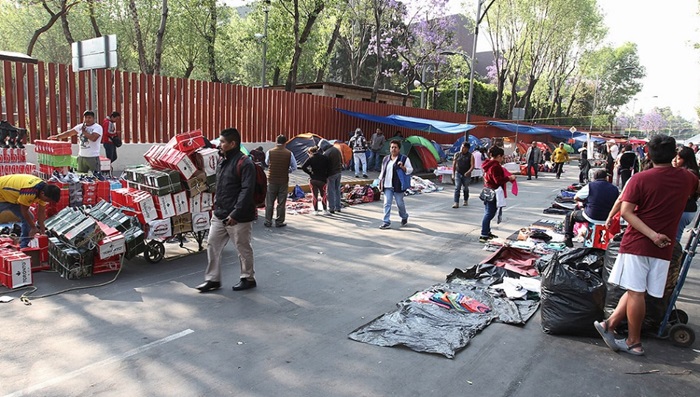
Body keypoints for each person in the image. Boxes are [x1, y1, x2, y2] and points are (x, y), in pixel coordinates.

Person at [595, 135, 700, 356]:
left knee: (636, 293)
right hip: (666, 245)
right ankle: (609, 325)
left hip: (639, 243)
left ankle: (634, 342)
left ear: (649, 155)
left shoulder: (640, 179)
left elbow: (626, 212)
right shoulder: (688, 179)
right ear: (674, 155)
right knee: (637, 290)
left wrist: (652, 235)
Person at [196, 128, 257, 293]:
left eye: (223, 142)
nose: (219, 144)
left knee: (243, 248)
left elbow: (247, 190)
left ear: (233, 144)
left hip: (238, 216)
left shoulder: (245, 163)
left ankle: (247, 278)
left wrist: (235, 213)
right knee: (212, 245)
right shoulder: (223, 161)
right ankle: (212, 279)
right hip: (220, 213)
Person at [0, 174, 61, 248]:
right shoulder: (29, 191)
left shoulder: (44, 191)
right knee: (28, 219)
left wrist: (42, 230)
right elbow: (24, 211)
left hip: (13, 197)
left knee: (30, 218)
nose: (48, 201)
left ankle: (24, 246)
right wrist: (33, 227)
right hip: (2, 192)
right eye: (48, 200)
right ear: (42, 194)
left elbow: (41, 212)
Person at [563, 169, 619, 247]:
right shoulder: (614, 188)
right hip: (607, 218)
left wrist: (585, 201)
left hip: (591, 216)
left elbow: (576, 197)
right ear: (606, 178)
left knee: (570, 215)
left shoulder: (590, 185)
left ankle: (568, 237)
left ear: (594, 178)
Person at [480, 146, 515, 243]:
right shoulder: (496, 166)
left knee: (488, 212)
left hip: (487, 190)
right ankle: (483, 234)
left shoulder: (487, 164)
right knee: (489, 214)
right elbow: (498, 180)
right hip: (493, 191)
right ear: (499, 156)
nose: (502, 159)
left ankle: (487, 232)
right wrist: (509, 178)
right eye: (502, 157)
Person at [378, 139, 412, 229]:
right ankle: (386, 222)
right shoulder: (386, 159)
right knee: (387, 203)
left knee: (400, 204)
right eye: (392, 147)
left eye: (395, 147)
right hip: (387, 186)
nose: (393, 149)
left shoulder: (404, 159)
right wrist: (380, 181)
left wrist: (403, 167)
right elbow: (382, 171)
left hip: (398, 185)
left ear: (399, 149)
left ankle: (404, 217)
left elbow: (410, 170)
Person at [264, 134, 296, 227]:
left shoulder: (270, 152)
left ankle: (268, 221)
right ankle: (279, 221)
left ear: (276, 142)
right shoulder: (289, 153)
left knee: (269, 202)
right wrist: (288, 170)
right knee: (281, 203)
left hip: (271, 179)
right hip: (283, 180)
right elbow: (294, 166)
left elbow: (267, 162)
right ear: (285, 143)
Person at [672, 146, 700, 242]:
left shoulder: (687, 174)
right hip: (688, 209)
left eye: (678, 158)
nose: (675, 160)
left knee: (674, 239)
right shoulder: (692, 172)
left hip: (684, 209)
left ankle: (675, 256)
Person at [301, 146, 331, 215]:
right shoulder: (325, 158)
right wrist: (326, 176)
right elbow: (329, 168)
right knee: (323, 195)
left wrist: (310, 173)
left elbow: (303, 167)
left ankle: (316, 211)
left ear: (310, 152)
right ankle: (325, 210)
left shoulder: (311, 158)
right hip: (322, 180)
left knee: (314, 196)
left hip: (313, 179)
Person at [319, 139, 343, 214]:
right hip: (339, 172)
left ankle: (332, 207)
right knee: (337, 190)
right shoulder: (336, 149)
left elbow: (324, 165)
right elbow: (341, 161)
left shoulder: (326, 153)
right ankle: (338, 207)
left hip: (331, 173)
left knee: (330, 191)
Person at [452, 142, 474, 208]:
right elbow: (454, 165)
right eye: (462, 147)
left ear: (467, 149)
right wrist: (453, 174)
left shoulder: (470, 156)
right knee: (457, 188)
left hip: (466, 174)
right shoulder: (457, 154)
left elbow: (472, 166)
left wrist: (468, 172)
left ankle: (465, 200)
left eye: (464, 147)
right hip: (458, 173)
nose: (462, 148)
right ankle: (456, 202)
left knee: (465, 188)